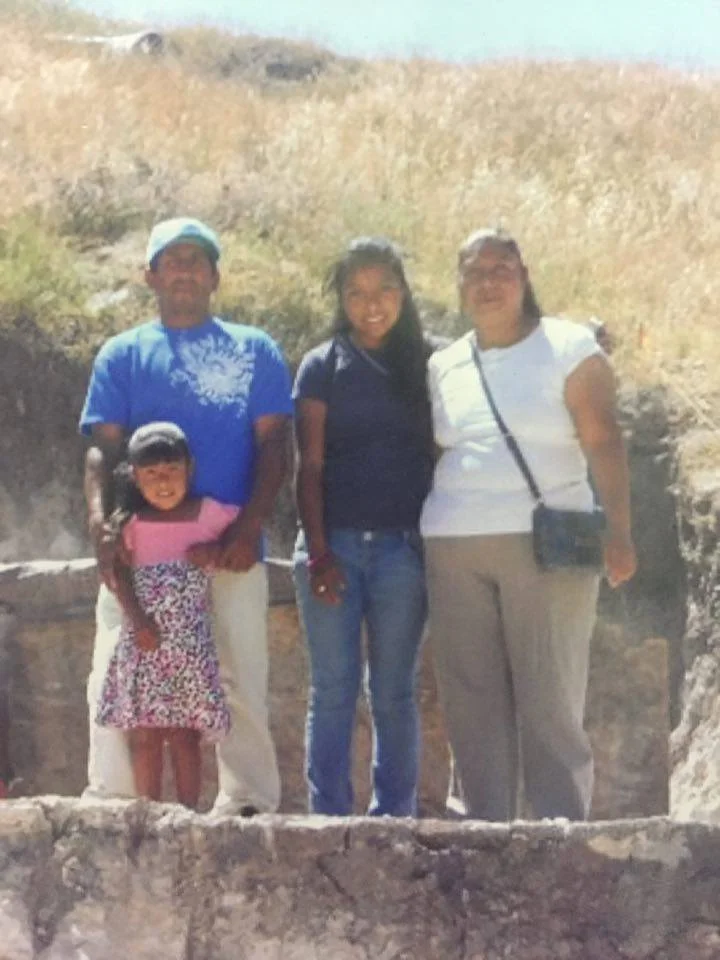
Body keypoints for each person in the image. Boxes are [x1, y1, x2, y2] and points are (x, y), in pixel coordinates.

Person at [421, 228, 637, 822]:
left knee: (550, 696)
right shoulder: (443, 364)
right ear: (459, 284)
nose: (489, 282)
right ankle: (483, 829)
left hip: (548, 544)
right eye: (475, 272)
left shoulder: (570, 347)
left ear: (524, 276)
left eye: (502, 269)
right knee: (471, 698)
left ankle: (559, 832)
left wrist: (620, 533)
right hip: (453, 544)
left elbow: (604, 439)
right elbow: (440, 451)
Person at [80, 217, 293, 815]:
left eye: (196, 260)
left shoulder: (254, 350)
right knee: (115, 672)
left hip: (227, 547)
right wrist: (100, 525)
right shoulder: (123, 355)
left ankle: (248, 802)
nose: (184, 270)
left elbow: (276, 446)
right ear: (150, 275)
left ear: (215, 276)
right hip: (140, 553)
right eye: (171, 260)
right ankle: (112, 800)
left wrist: (248, 529)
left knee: (239, 674)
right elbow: (101, 451)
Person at [292, 237, 435, 816]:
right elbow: (310, 466)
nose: (371, 305)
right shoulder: (323, 365)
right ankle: (327, 820)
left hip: (404, 550)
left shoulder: (429, 363)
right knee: (333, 690)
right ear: (340, 298)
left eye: (384, 290)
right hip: (335, 547)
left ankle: (394, 820)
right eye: (356, 292)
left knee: (395, 692)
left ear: (403, 292)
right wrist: (319, 553)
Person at [97, 422, 236, 809]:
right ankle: (150, 816)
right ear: (135, 477)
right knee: (145, 735)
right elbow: (119, 577)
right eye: (152, 473)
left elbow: (241, 533)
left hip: (188, 648)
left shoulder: (208, 515)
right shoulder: (129, 526)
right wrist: (138, 619)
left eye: (172, 471)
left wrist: (217, 550)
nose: (163, 482)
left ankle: (188, 816)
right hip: (144, 643)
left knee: (185, 734)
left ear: (189, 469)